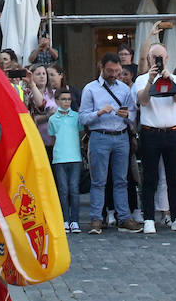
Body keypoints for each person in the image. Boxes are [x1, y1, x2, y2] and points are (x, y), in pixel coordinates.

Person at [132, 43, 176, 234]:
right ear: (149, 59)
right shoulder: (141, 80)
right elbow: (143, 100)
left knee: (174, 178)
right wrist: (151, 80)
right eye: (154, 57)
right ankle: (149, 218)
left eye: (160, 57)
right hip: (151, 133)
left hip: (172, 132)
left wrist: (168, 80)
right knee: (150, 178)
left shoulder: (175, 79)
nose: (157, 60)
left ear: (167, 58)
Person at [79, 53, 135, 233]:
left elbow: (133, 116)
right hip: (100, 135)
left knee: (121, 180)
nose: (114, 74)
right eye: (110, 71)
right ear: (101, 67)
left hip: (121, 136)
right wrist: (99, 113)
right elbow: (82, 118)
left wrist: (128, 116)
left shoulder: (125, 90)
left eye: (117, 71)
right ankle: (96, 218)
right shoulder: (90, 89)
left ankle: (124, 217)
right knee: (98, 181)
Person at [48, 87, 82, 232]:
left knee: (74, 189)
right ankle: (64, 219)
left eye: (68, 99)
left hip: (75, 157)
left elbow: (80, 134)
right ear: (57, 101)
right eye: (63, 99)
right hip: (59, 158)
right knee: (63, 190)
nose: (66, 102)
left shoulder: (76, 117)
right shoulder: (52, 119)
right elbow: (53, 137)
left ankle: (75, 220)